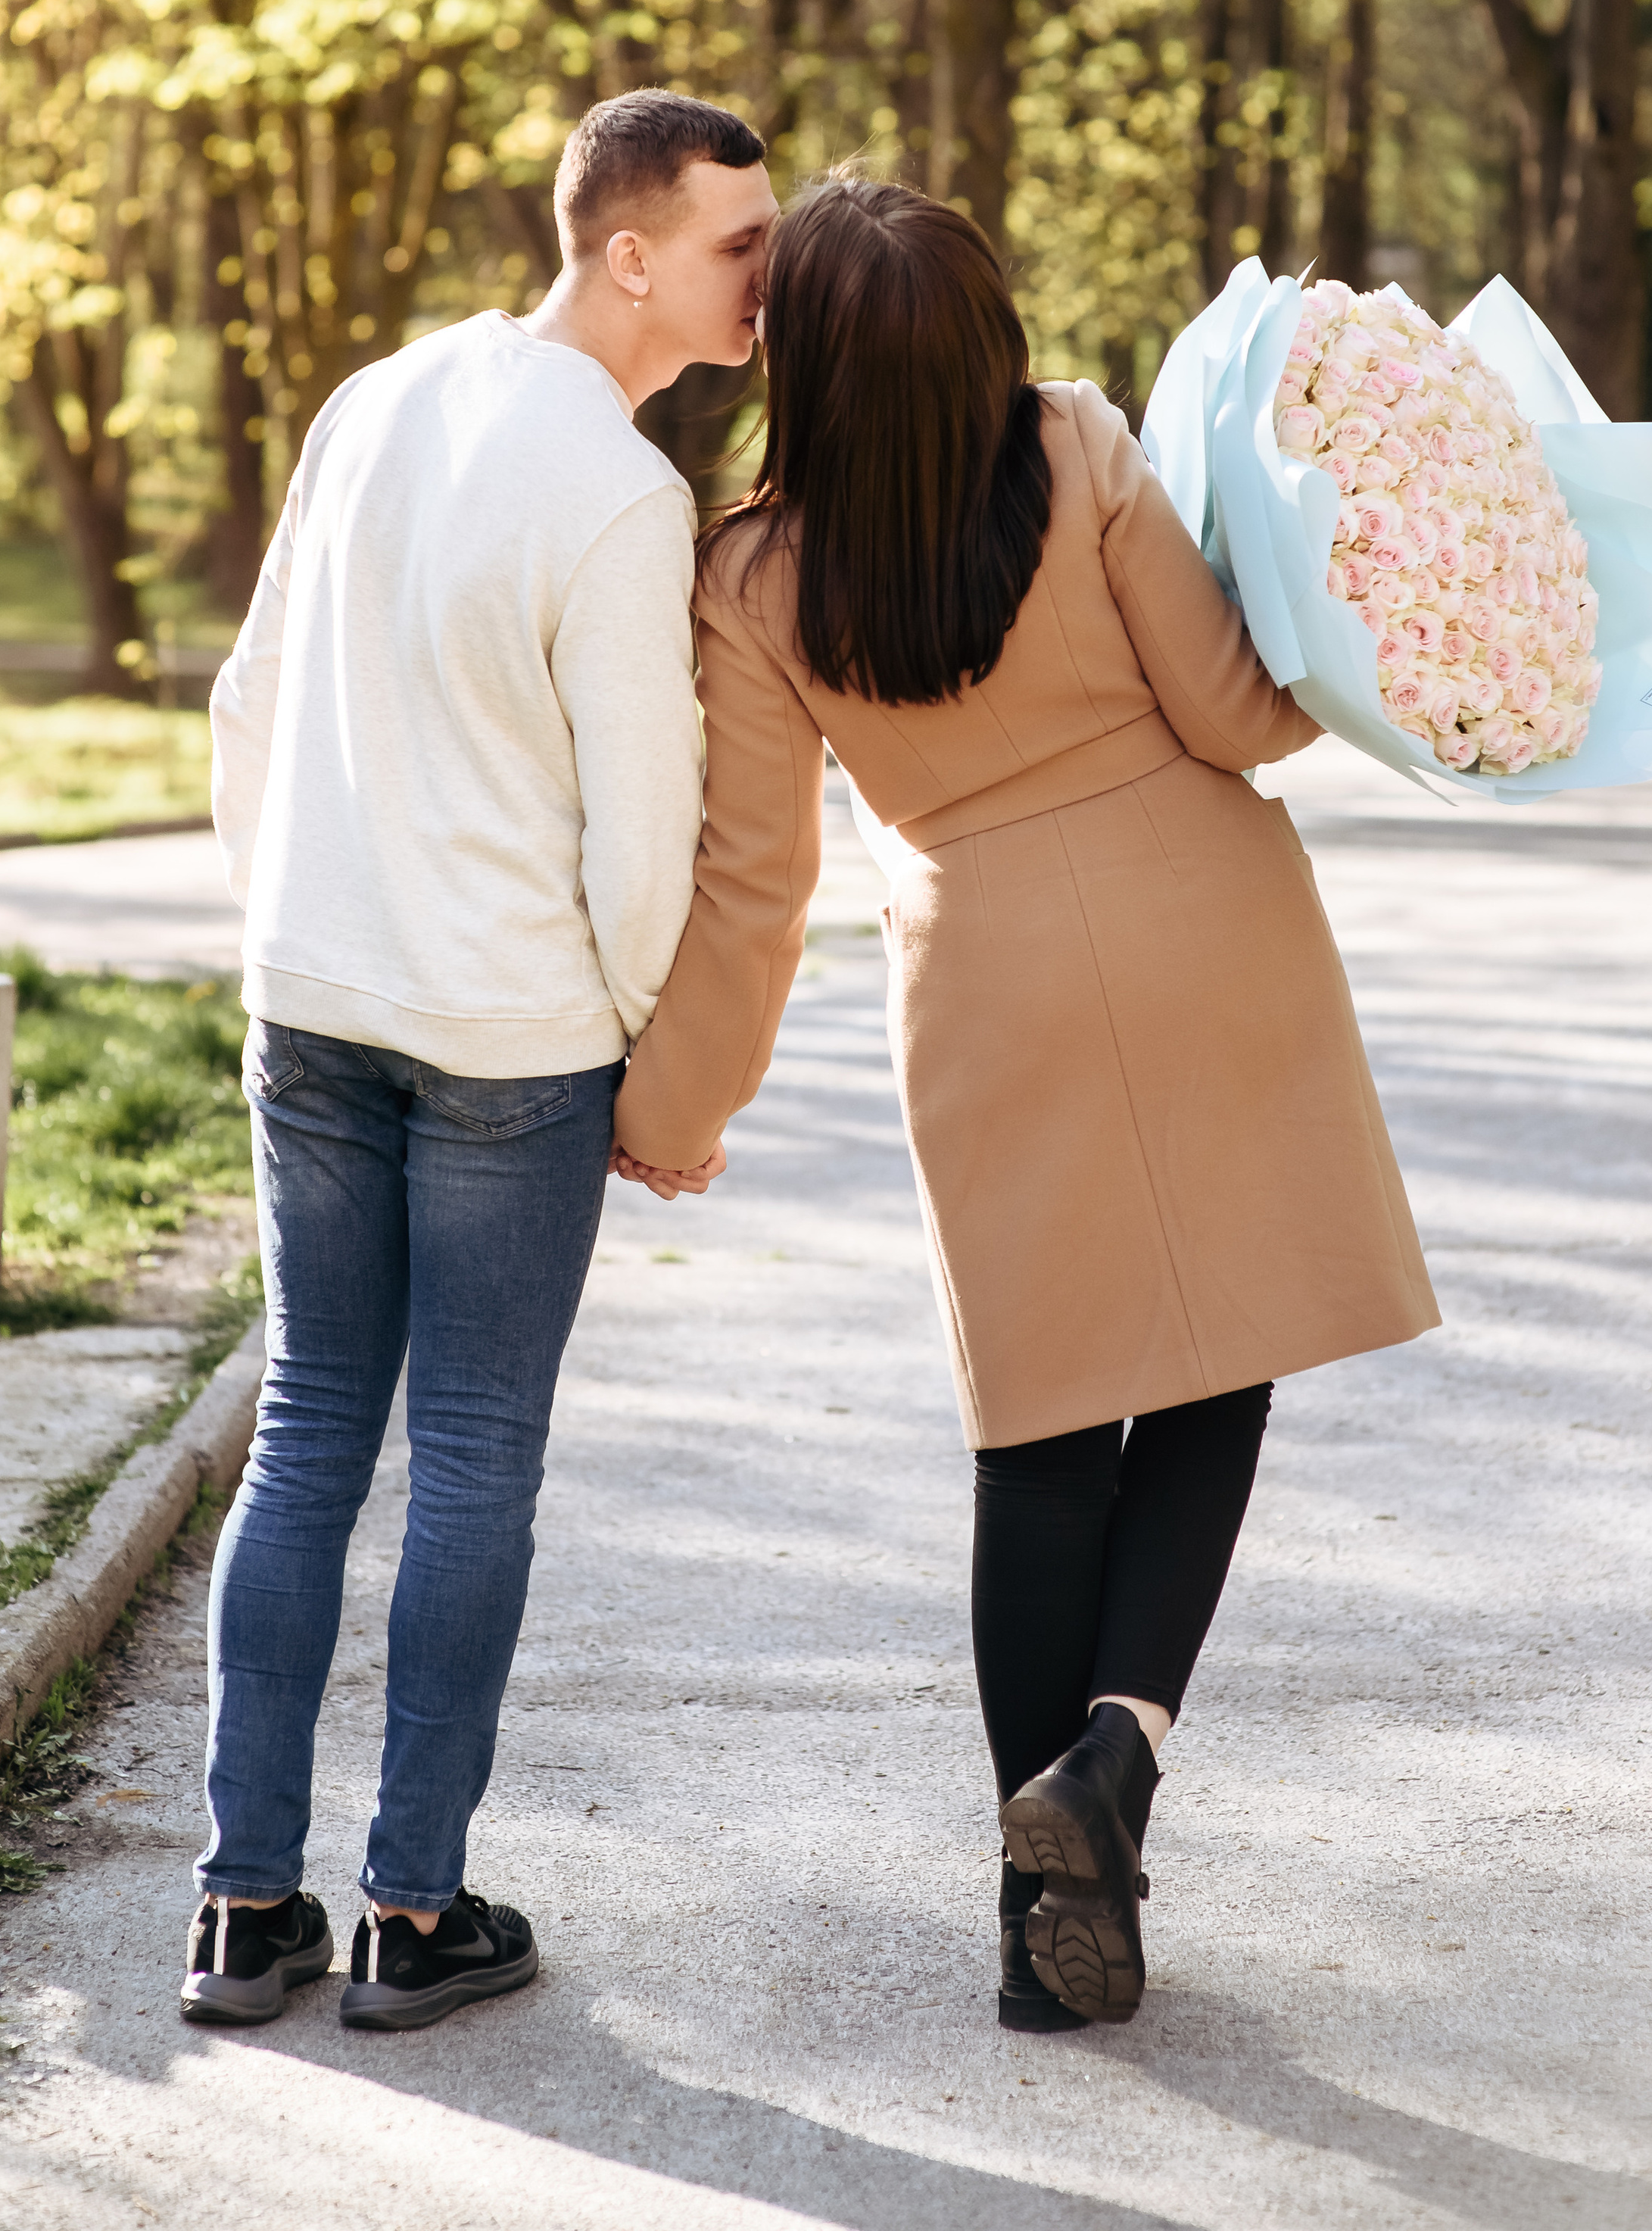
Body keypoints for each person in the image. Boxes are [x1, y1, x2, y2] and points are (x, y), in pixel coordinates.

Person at [614, 177, 1439, 2033]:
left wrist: (674, 1105)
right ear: (985, 334)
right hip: (1208, 927)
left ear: (805, 368)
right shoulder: (1074, 443)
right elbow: (1237, 719)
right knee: (1217, 1369)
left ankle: (1037, 1920)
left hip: (985, 975)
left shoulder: (747, 573)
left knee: (1040, 1433)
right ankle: (1116, 1759)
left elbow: (754, 885)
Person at [185, 90, 770, 2033]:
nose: (764, 278)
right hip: (509, 1041)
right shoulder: (619, 490)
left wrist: (288, 921)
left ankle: (244, 1910)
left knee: (309, 1434)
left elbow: (246, 698)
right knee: (472, 1461)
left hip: (314, 1008)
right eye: (733, 246)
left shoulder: (375, 396)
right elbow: (640, 830)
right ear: (626, 253)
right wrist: (624, 1050)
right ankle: (412, 1918)